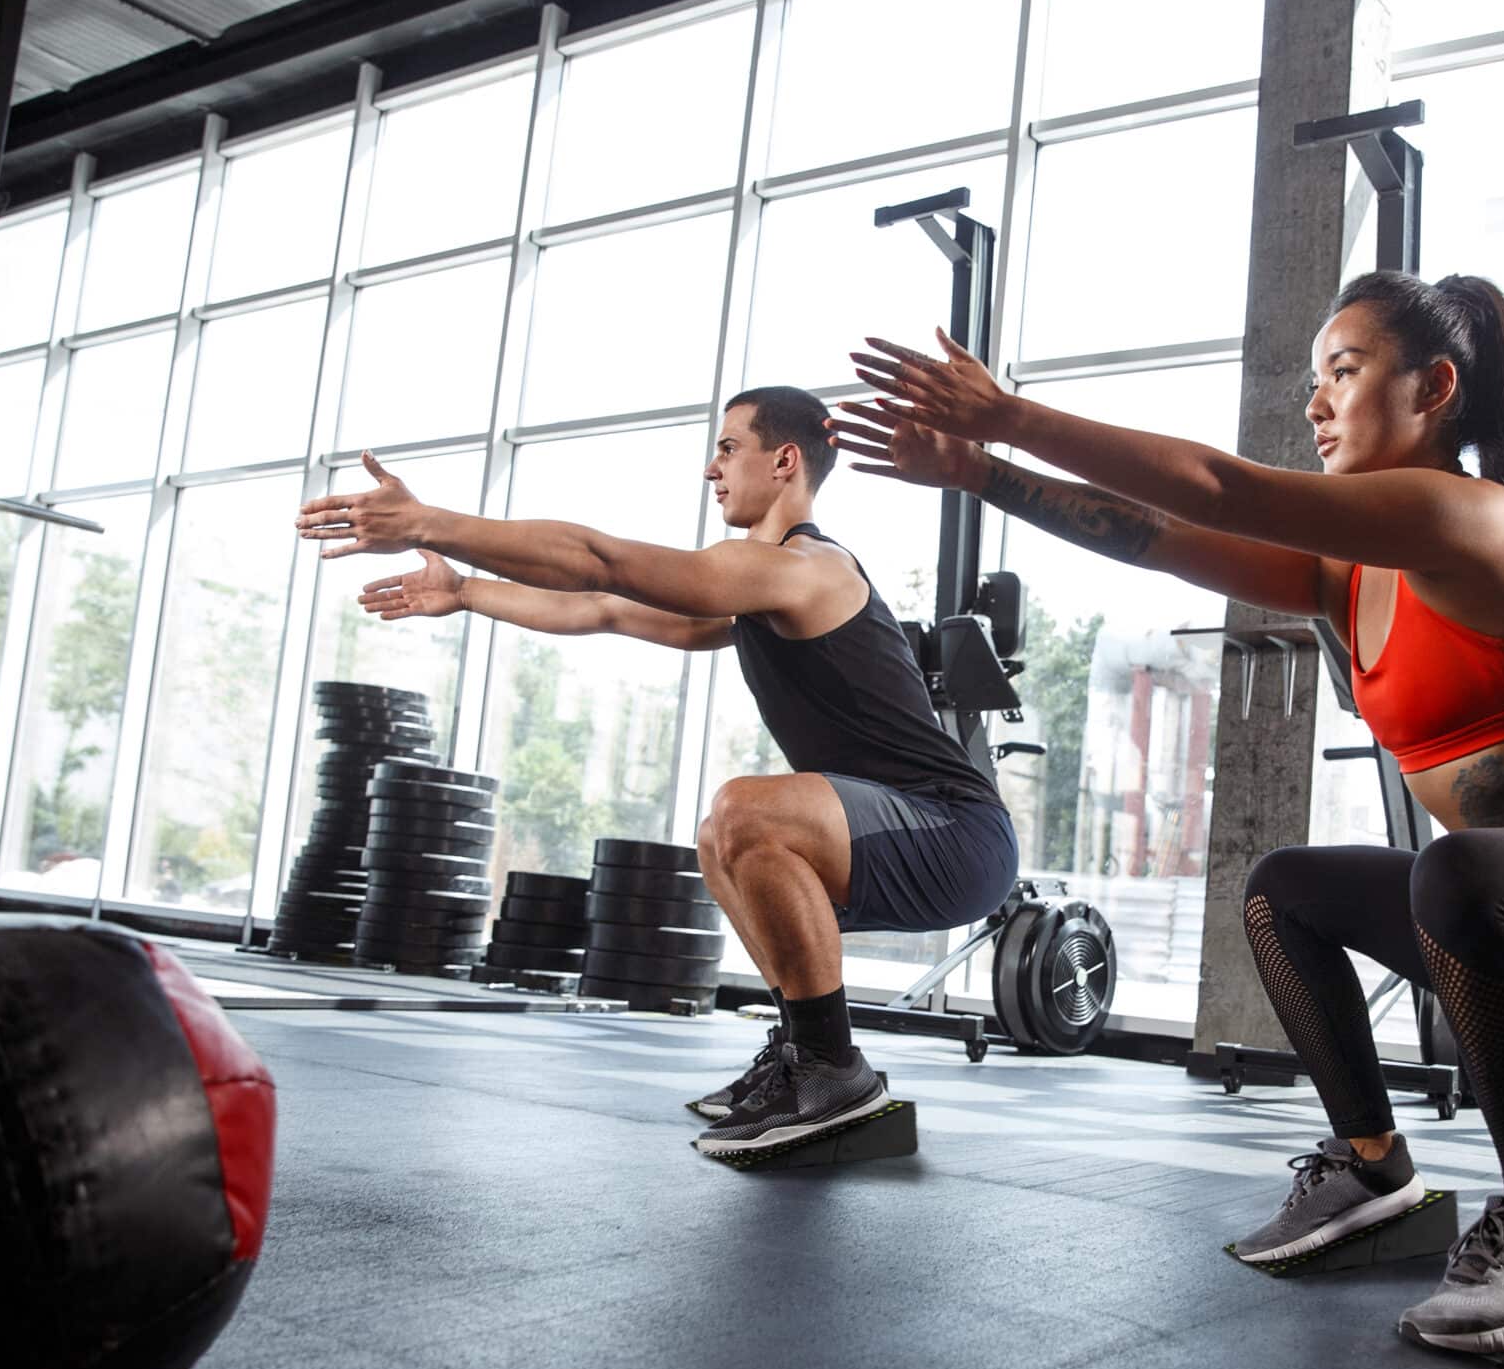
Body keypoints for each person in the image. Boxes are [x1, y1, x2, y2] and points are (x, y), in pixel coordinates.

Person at [834, 273, 1504, 1353]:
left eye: (1345, 373)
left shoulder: (1474, 518)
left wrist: (1007, 415)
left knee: (1454, 870)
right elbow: (1157, 534)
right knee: (1286, 890)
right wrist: (981, 473)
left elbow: (1216, 485)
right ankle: (1373, 1170)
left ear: (1436, 388)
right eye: (1312, 380)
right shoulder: (1349, 571)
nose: (1314, 405)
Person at [297, 386, 1019, 1152]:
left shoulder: (810, 568)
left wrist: (428, 522)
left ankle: (836, 1071)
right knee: (720, 837)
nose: (711, 468)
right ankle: (802, 1053)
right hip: (896, 830)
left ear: (785, 461)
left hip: (956, 834)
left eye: (728, 448)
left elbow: (597, 559)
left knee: (745, 808)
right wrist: (468, 590)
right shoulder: (758, 586)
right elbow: (604, 604)